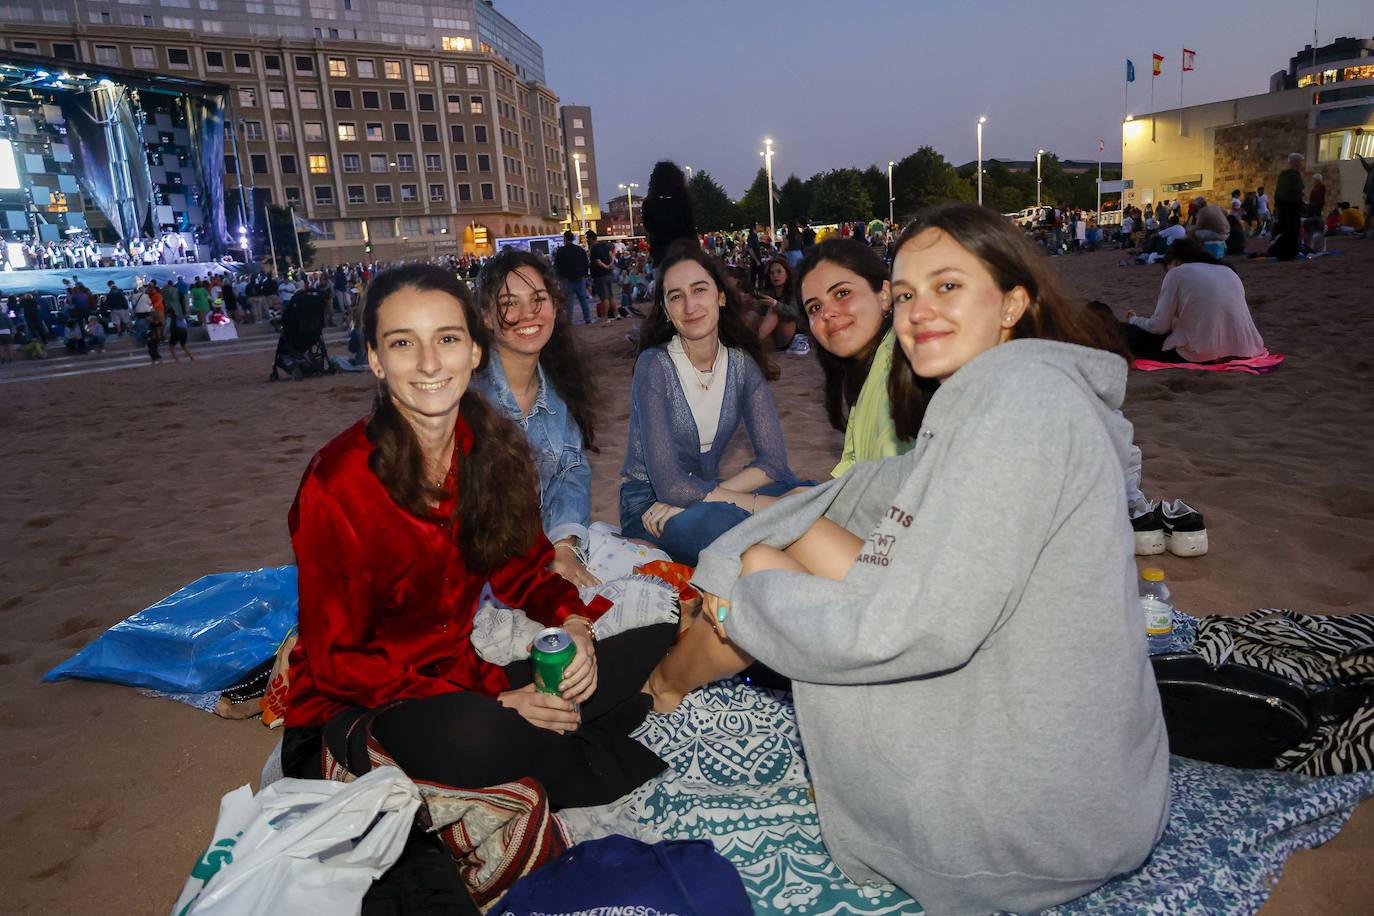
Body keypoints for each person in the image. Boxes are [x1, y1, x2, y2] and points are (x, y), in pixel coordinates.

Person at [649, 203, 1169, 914]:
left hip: (1044, 826)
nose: (918, 311)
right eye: (905, 295)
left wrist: (746, 608)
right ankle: (668, 681)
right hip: (1092, 782)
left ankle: (661, 688)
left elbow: (911, 629)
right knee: (773, 545)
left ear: (1013, 301)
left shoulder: (1020, 407)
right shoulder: (1001, 391)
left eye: (947, 287)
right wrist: (743, 544)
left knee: (765, 575)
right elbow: (876, 486)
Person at [279, 263, 675, 813]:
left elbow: (526, 567)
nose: (428, 363)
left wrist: (575, 624)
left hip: (462, 672)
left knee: (654, 629)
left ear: (474, 351)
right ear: (374, 358)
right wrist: (501, 700)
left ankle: (554, 726)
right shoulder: (337, 485)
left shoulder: (486, 448)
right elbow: (341, 663)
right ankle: (577, 743)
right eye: (401, 342)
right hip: (364, 706)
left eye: (446, 338)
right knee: (481, 734)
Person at [620, 241, 799, 567]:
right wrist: (761, 505)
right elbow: (670, 485)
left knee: (805, 489)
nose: (690, 306)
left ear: (720, 296)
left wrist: (720, 499)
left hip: (703, 494)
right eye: (676, 296)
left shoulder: (741, 365)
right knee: (736, 527)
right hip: (650, 508)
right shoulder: (654, 366)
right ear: (666, 310)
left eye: (699, 289)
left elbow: (773, 461)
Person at [473, 250, 600, 588]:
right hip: (489, 573)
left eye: (537, 299)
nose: (527, 313)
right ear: (486, 315)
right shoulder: (469, 401)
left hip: (548, 551)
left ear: (554, 306)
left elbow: (571, 474)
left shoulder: (560, 391)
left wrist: (564, 548)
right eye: (508, 303)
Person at [796, 237, 932, 477]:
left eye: (842, 293)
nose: (827, 313)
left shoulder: (900, 372)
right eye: (814, 308)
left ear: (884, 294)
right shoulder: (870, 368)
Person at [1122, 238, 1265, 363]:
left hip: (1201, 354)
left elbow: (1159, 327)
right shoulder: (1227, 271)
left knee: (1127, 331)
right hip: (1247, 349)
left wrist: (1134, 320)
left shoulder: (1176, 273)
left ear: (1175, 261)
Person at [754, 258, 808, 355]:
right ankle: (741, 342)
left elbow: (794, 313)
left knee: (773, 310)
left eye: (779, 272)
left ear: (787, 273)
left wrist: (775, 304)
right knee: (752, 314)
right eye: (772, 273)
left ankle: (752, 343)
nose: (775, 275)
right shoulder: (768, 292)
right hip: (772, 336)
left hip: (790, 333)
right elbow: (756, 309)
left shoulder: (793, 292)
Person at [1266, 153, 1306, 261]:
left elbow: (1278, 192)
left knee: (1284, 230)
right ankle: (1291, 253)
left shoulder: (1283, 174)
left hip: (1282, 208)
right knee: (1292, 231)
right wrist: (1301, 206)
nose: (1303, 165)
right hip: (1292, 208)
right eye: (1302, 162)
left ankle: (1283, 253)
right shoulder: (1295, 175)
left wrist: (1277, 206)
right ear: (1297, 163)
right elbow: (1297, 192)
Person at [553, 231, 593, 325]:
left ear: (565, 239)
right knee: (583, 300)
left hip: (566, 280)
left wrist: (559, 277)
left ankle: (569, 320)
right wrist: (584, 275)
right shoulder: (580, 250)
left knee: (569, 302)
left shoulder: (561, 251)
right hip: (580, 279)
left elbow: (557, 266)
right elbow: (586, 263)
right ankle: (587, 318)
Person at [587, 230, 616, 321]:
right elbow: (611, 254)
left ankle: (605, 316)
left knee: (604, 297)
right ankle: (616, 314)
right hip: (609, 274)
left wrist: (606, 266)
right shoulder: (604, 245)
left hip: (600, 275)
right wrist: (611, 264)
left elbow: (598, 261)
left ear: (591, 238)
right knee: (611, 296)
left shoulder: (594, 249)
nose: (587, 240)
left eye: (587, 238)